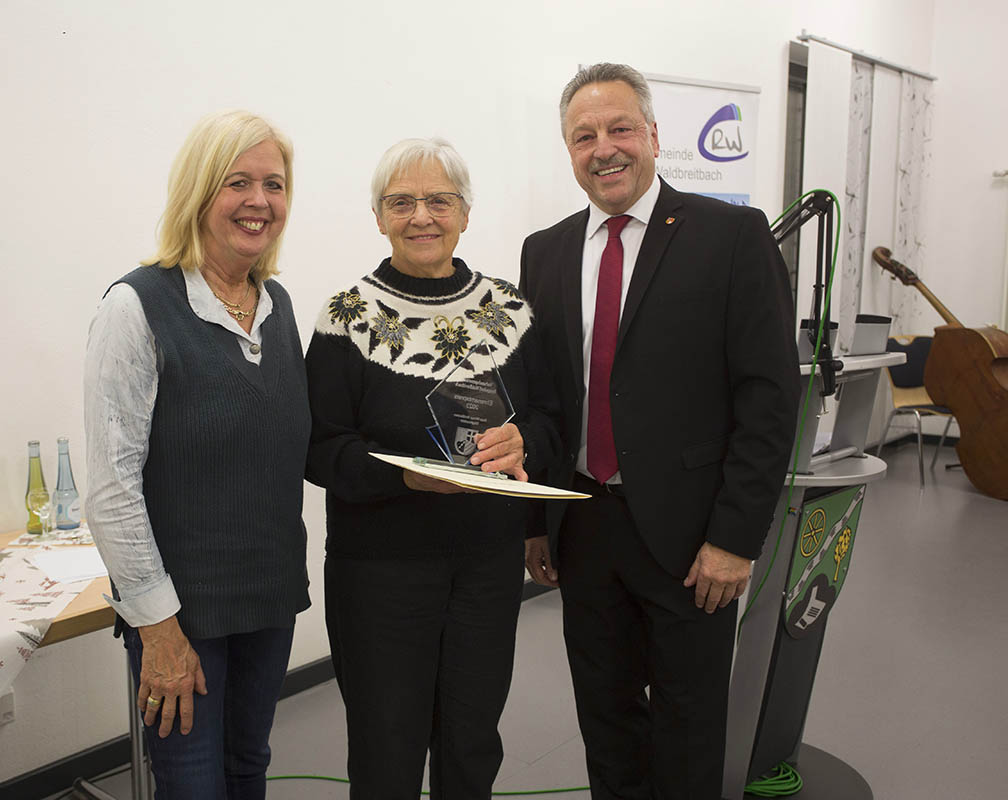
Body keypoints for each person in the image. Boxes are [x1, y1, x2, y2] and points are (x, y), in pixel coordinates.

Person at [519, 64, 800, 799]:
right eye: (584, 136)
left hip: (693, 538)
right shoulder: (544, 251)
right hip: (581, 527)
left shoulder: (731, 236)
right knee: (605, 718)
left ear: (652, 135)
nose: (603, 148)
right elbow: (541, 401)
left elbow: (770, 399)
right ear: (568, 149)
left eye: (618, 129)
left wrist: (736, 538)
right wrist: (533, 521)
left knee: (687, 724)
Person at [305, 137, 562, 799]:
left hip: (486, 564)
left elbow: (549, 420)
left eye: (438, 201)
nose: (422, 216)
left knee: (473, 739)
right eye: (402, 203)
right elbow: (317, 448)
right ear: (379, 216)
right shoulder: (345, 319)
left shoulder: (510, 312)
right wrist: (402, 476)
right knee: (387, 746)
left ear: (465, 214)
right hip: (379, 573)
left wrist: (523, 445)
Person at [83, 110, 310, 800]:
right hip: (181, 612)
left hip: (267, 597)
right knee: (191, 788)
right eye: (236, 182)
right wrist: (157, 629)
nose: (259, 201)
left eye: (274, 184)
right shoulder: (137, 306)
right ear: (198, 194)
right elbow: (113, 489)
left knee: (248, 771)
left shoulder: (278, 304)